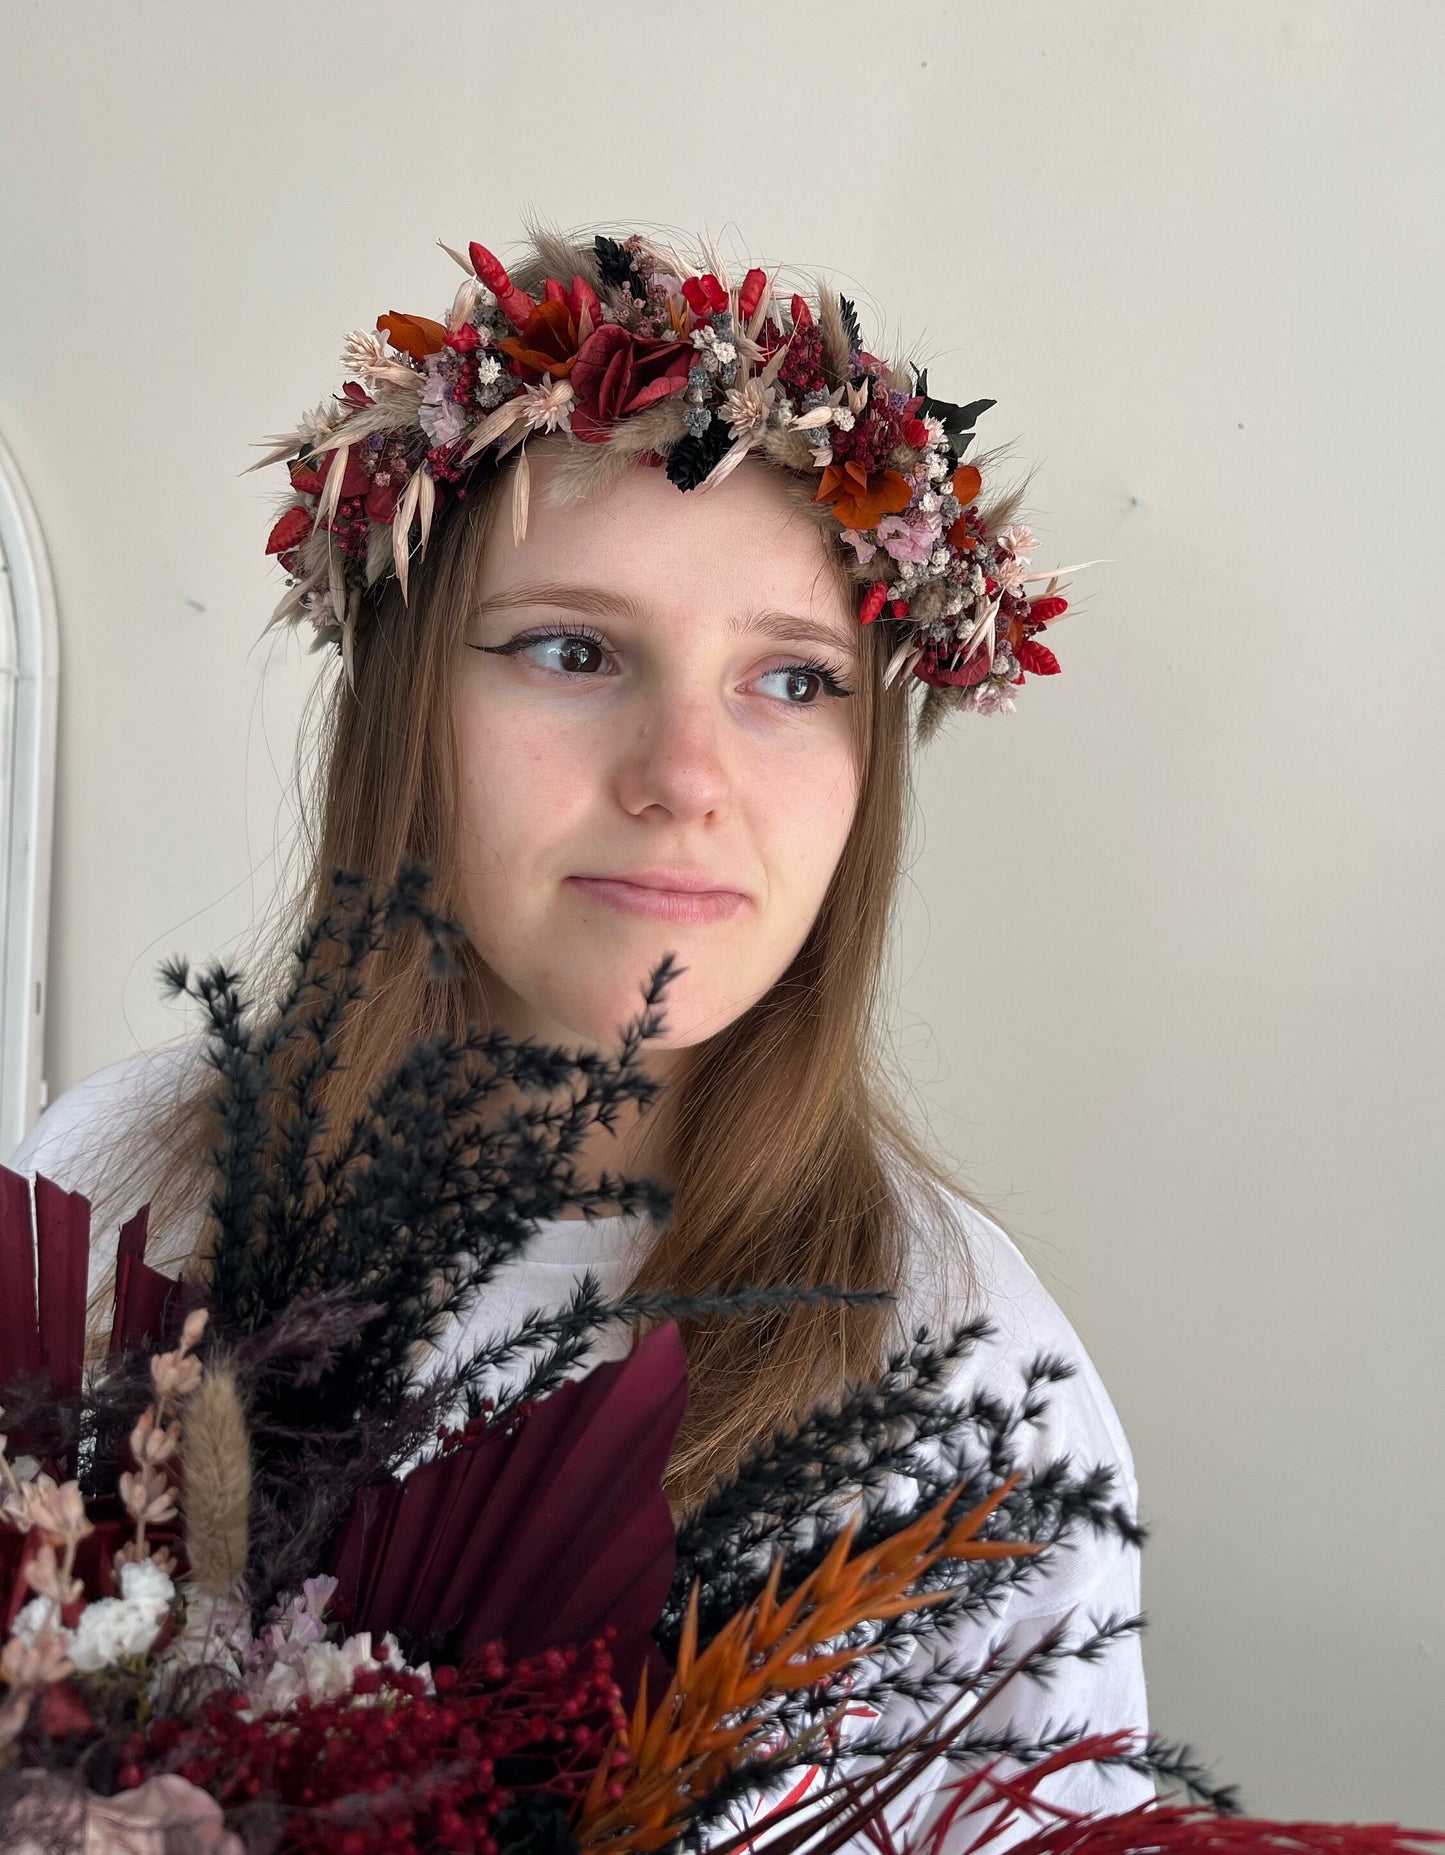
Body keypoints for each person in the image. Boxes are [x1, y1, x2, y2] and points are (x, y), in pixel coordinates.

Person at [5, 223, 1155, 1851]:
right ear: (405, 706)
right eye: (571, 650)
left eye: (793, 681)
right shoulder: (116, 1190)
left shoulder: (963, 1371)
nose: (683, 774)